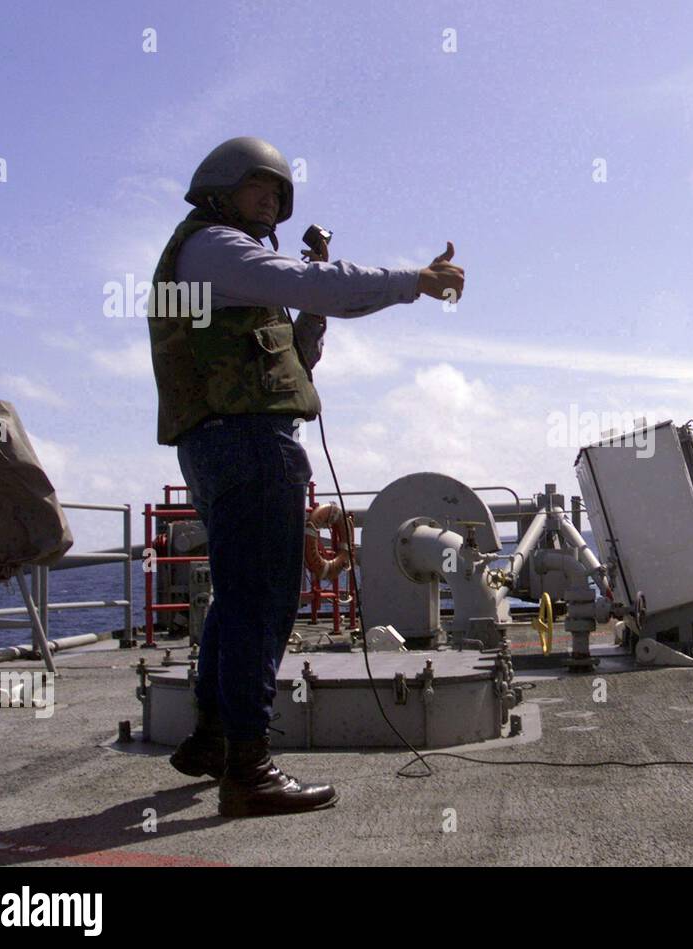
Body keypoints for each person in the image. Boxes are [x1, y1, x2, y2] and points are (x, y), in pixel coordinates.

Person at [145, 136, 464, 817]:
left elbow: (295, 354)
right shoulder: (215, 248)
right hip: (250, 445)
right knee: (263, 604)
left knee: (237, 601)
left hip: (226, 441)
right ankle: (250, 769)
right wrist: (414, 281)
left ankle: (212, 737)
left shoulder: (222, 264)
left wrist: (312, 298)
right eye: (259, 188)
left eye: (279, 194)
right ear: (220, 189)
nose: (272, 201)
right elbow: (309, 284)